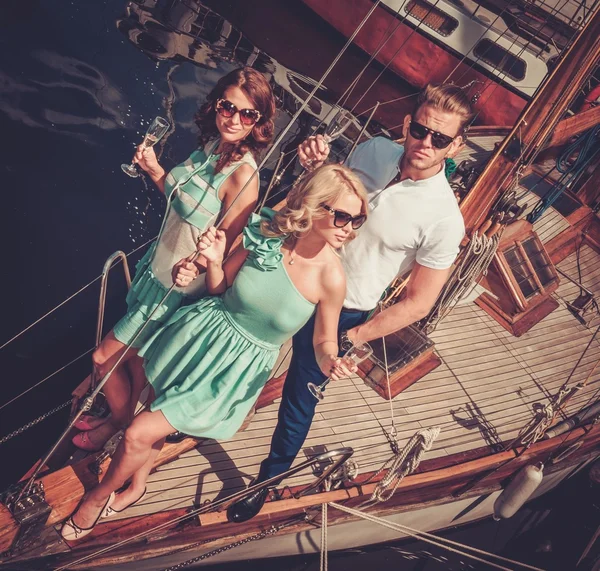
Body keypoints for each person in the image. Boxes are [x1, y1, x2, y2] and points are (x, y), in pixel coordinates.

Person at [60, 164, 369, 540]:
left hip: (232, 372)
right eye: (343, 217)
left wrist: (330, 362)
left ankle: (96, 497)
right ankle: (137, 486)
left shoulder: (331, 278)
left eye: (358, 220)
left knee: (138, 432)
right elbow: (219, 289)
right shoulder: (269, 236)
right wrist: (214, 260)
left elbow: (324, 340)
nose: (350, 229)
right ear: (316, 207)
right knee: (154, 414)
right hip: (197, 337)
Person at [228, 83, 474, 523]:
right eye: (420, 131)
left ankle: (267, 481)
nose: (424, 143)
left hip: (346, 311)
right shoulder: (374, 150)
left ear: (455, 144)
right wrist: (316, 167)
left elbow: (419, 302)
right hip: (293, 275)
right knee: (241, 347)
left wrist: (354, 336)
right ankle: (196, 419)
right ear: (407, 125)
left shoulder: (444, 219)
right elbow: (324, 198)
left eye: (440, 139)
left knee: (300, 398)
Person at [71, 67, 276, 451]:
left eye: (247, 114)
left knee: (103, 357)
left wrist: (195, 266)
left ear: (259, 122)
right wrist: (154, 170)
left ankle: (116, 424)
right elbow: (184, 202)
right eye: (228, 107)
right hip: (156, 266)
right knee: (134, 362)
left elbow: (225, 242)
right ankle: (124, 419)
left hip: (177, 286)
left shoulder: (243, 175)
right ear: (217, 105)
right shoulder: (212, 146)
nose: (234, 119)